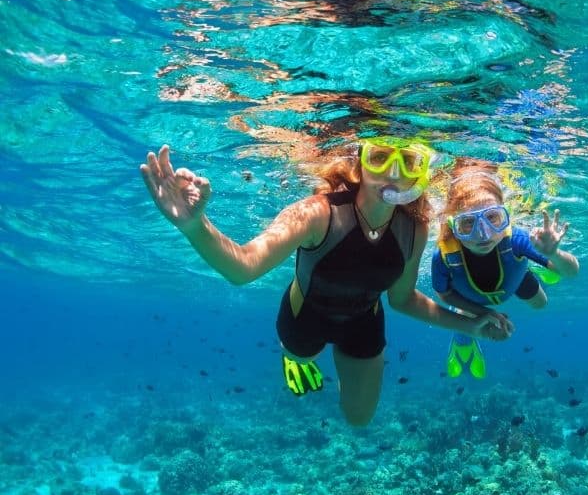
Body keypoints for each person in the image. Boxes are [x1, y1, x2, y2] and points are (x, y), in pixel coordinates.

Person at [140, 140, 510, 426]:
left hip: (365, 321)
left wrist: (471, 324)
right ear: (360, 163)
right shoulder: (318, 213)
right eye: (380, 157)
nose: (393, 173)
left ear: (419, 173)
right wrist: (194, 225)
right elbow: (243, 267)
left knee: (359, 419)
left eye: (408, 162)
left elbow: (402, 300)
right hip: (306, 316)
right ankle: (295, 359)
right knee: (301, 355)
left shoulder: (414, 227)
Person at [432, 161, 580, 379]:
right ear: (453, 225)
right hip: (471, 299)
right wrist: (486, 314)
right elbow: (443, 294)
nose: (483, 234)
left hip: (515, 278)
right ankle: (463, 344)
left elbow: (572, 272)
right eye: (468, 223)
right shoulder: (444, 255)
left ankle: (539, 264)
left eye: (492, 218)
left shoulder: (517, 239)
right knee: (466, 320)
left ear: (506, 216)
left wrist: (553, 254)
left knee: (541, 304)